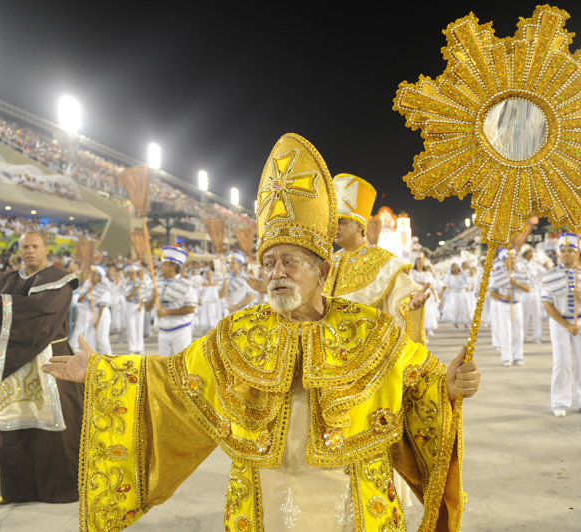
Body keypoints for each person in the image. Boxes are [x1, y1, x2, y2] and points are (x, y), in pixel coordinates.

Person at [42, 133, 480, 532]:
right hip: (266, 502)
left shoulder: (369, 329)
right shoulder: (238, 333)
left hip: (355, 504)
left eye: (290, 261)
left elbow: (419, 381)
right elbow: (173, 380)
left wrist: (449, 386)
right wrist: (104, 371)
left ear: (322, 271)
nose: (276, 273)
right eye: (269, 263)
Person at [0, 231, 83, 504]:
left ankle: (57, 488)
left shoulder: (60, 279)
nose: (30, 250)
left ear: (46, 249)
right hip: (10, 364)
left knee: (57, 428)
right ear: (19, 250)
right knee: (13, 426)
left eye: (35, 246)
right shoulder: (4, 280)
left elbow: (43, 314)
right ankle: (16, 490)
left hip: (51, 362)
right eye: (24, 247)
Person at [323, 173, 429, 344]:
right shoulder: (327, 262)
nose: (335, 227)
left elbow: (402, 296)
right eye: (333, 221)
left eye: (342, 221)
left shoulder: (384, 262)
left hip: (366, 348)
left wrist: (410, 305)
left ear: (360, 226)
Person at [541, 234, 581, 417]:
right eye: (563, 250)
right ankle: (560, 402)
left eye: (570, 251)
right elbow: (547, 305)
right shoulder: (549, 276)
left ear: (578, 253)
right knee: (562, 362)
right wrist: (566, 325)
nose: (566, 254)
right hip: (559, 323)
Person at [144, 246, 198, 356]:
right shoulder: (156, 284)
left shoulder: (187, 285)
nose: (161, 267)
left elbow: (191, 309)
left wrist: (168, 312)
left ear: (173, 267)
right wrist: (153, 299)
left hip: (181, 331)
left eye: (164, 264)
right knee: (164, 364)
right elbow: (147, 308)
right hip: (163, 332)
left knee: (180, 364)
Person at [490, 248, 529, 366]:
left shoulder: (521, 272)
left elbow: (527, 288)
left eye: (514, 258)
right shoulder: (497, 273)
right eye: (510, 259)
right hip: (504, 305)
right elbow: (492, 291)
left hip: (517, 304)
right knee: (505, 331)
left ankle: (518, 356)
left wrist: (516, 283)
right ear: (504, 260)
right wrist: (503, 297)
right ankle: (506, 357)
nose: (513, 261)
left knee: (518, 331)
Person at [84, 264, 113, 355]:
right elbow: (81, 300)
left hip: (102, 314)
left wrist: (98, 320)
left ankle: (109, 358)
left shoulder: (104, 289)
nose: (91, 278)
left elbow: (102, 306)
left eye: (94, 276)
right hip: (92, 312)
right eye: (91, 275)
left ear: (99, 278)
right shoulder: (91, 289)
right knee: (89, 338)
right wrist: (88, 290)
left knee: (103, 339)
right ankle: (92, 358)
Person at [519, 244, 544, 344]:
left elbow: (545, 272)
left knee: (536, 315)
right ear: (525, 254)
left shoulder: (535, 265)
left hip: (534, 292)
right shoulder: (520, 265)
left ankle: (537, 337)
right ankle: (522, 336)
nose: (532, 254)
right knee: (524, 316)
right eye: (529, 252)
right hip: (524, 292)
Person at [410, 254, 439, 337]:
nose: (420, 264)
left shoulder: (427, 273)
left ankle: (429, 329)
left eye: (422, 262)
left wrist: (435, 296)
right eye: (419, 262)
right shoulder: (412, 272)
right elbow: (411, 282)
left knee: (428, 311)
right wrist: (421, 282)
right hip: (417, 294)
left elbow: (431, 285)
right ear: (416, 263)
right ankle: (420, 330)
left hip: (427, 295)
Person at [122, 263, 146, 355]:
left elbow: (143, 295)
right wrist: (136, 288)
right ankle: (132, 347)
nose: (133, 275)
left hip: (139, 305)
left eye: (134, 273)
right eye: (131, 274)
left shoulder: (140, 282)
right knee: (131, 327)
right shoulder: (125, 283)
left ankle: (140, 347)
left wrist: (141, 305)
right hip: (130, 305)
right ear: (128, 274)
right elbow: (128, 296)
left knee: (139, 327)